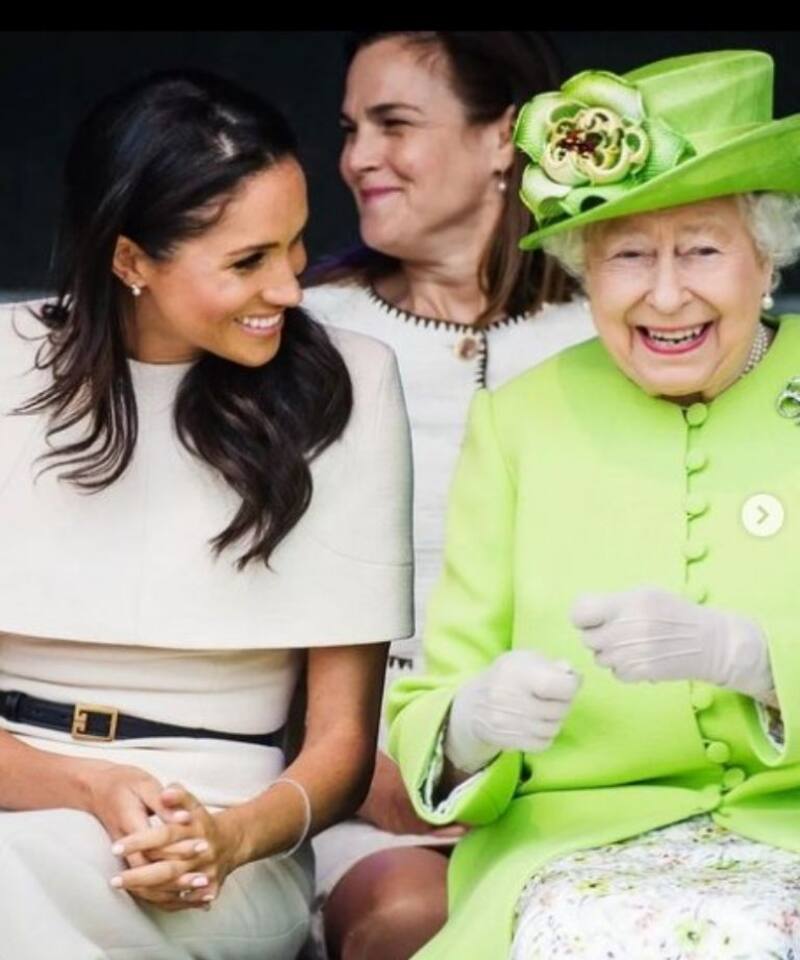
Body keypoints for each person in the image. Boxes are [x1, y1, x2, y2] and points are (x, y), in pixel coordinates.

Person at [387, 48, 800, 959]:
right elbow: (431, 706)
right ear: (585, 274)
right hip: (573, 852)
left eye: (702, 250)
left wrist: (759, 661)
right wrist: (475, 724)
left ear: (766, 258)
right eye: (628, 256)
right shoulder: (518, 423)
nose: (666, 294)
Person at [0, 68, 412, 960]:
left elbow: (341, 748)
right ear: (130, 261)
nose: (291, 288)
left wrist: (226, 840)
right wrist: (86, 788)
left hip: (228, 846)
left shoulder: (352, 385)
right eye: (247, 261)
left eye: (296, 246)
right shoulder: (5, 366)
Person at [302, 31, 595, 960]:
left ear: (502, 136)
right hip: (372, 780)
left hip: (588, 769)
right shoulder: (310, 332)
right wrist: (358, 764)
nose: (357, 158)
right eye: (350, 129)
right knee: (409, 918)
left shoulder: (614, 323)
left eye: (394, 124)